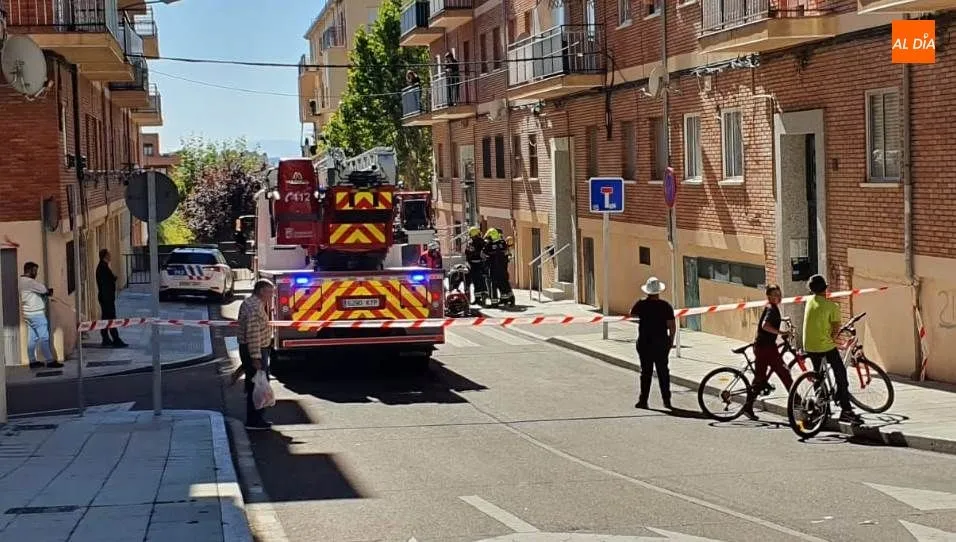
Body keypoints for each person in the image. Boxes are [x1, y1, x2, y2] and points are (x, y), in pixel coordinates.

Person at [802, 274, 862, 424]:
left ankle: (822, 407)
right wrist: (836, 341)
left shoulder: (809, 301)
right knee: (840, 373)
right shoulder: (833, 307)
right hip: (824, 346)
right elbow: (835, 332)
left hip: (808, 345)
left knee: (818, 374)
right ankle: (846, 411)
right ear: (825, 289)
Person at [741, 284, 794, 420]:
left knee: (760, 379)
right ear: (769, 296)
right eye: (775, 295)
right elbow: (765, 325)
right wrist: (781, 332)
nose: (779, 297)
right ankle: (797, 401)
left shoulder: (771, 307)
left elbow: (771, 321)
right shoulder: (771, 308)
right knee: (784, 372)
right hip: (767, 348)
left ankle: (748, 406)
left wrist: (783, 320)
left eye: (779, 294)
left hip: (761, 346)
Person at [630, 277, 676, 410]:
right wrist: (670, 342)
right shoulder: (666, 306)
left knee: (646, 372)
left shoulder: (641, 304)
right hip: (661, 343)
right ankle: (666, 400)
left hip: (645, 343)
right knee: (663, 372)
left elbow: (631, 313)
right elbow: (672, 326)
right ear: (659, 291)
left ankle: (643, 400)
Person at [238, 279, 276, 430]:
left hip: (255, 349)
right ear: (261, 291)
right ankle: (255, 420)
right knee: (257, 385)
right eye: (270, 292)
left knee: (255, 383)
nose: (271, 295)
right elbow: (253, 334)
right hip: (257, 350)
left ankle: (255, 418)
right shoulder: (254, 308)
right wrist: (256, 357)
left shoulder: (250, 302)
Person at [19, 262, 61, 369]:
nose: (36, 273)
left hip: (27, 314)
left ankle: (32, 361)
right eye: (35, 271)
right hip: (36, 314)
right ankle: (50, 360)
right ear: (29, 270)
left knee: (31, 339)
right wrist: (48, 292)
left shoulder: (20, 281)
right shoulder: (30, 282)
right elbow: (43, 289)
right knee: (44, 338)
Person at [96, 249, 127, 348]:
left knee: (106, 318)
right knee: (111, 318)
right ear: (105, 256)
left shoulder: (104, 266)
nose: (110, 256)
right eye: (109, 254)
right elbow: (105, 284)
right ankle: (115, 339)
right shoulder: (102, 267)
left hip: (106, 297)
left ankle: (105, 338)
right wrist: (108, 299)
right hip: (106, 298)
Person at [483, 229, 514, 306]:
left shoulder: (489, 245)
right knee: (504, 283)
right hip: (503, 268)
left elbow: (484, 254)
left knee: (493, 285)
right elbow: (506, 253)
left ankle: (494, 303)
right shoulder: (503, 243)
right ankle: (509, 299)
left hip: (494, 268)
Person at [464, 227, 487, 304]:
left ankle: (478, 298)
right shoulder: (483, 242)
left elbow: (467, 253)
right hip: (482, 264)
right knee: (482, 281)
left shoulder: (471, 243)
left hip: (474, 265)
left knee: (476, 282)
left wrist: (468, 262)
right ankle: (483, 296)